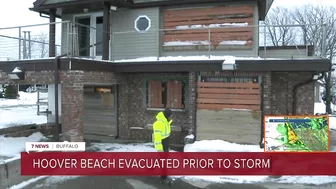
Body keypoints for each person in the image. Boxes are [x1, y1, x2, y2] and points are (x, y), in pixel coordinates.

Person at [152, 108, 172, 182]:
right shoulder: (159, 123)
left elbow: (165, 131)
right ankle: (163, 176)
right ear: (166, 115)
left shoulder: (165, 120)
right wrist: (160, 148)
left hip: (166, 142)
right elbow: (157, 137)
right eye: (169, 115)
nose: (170, 117)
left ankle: (152, 167)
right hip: (162, 143)